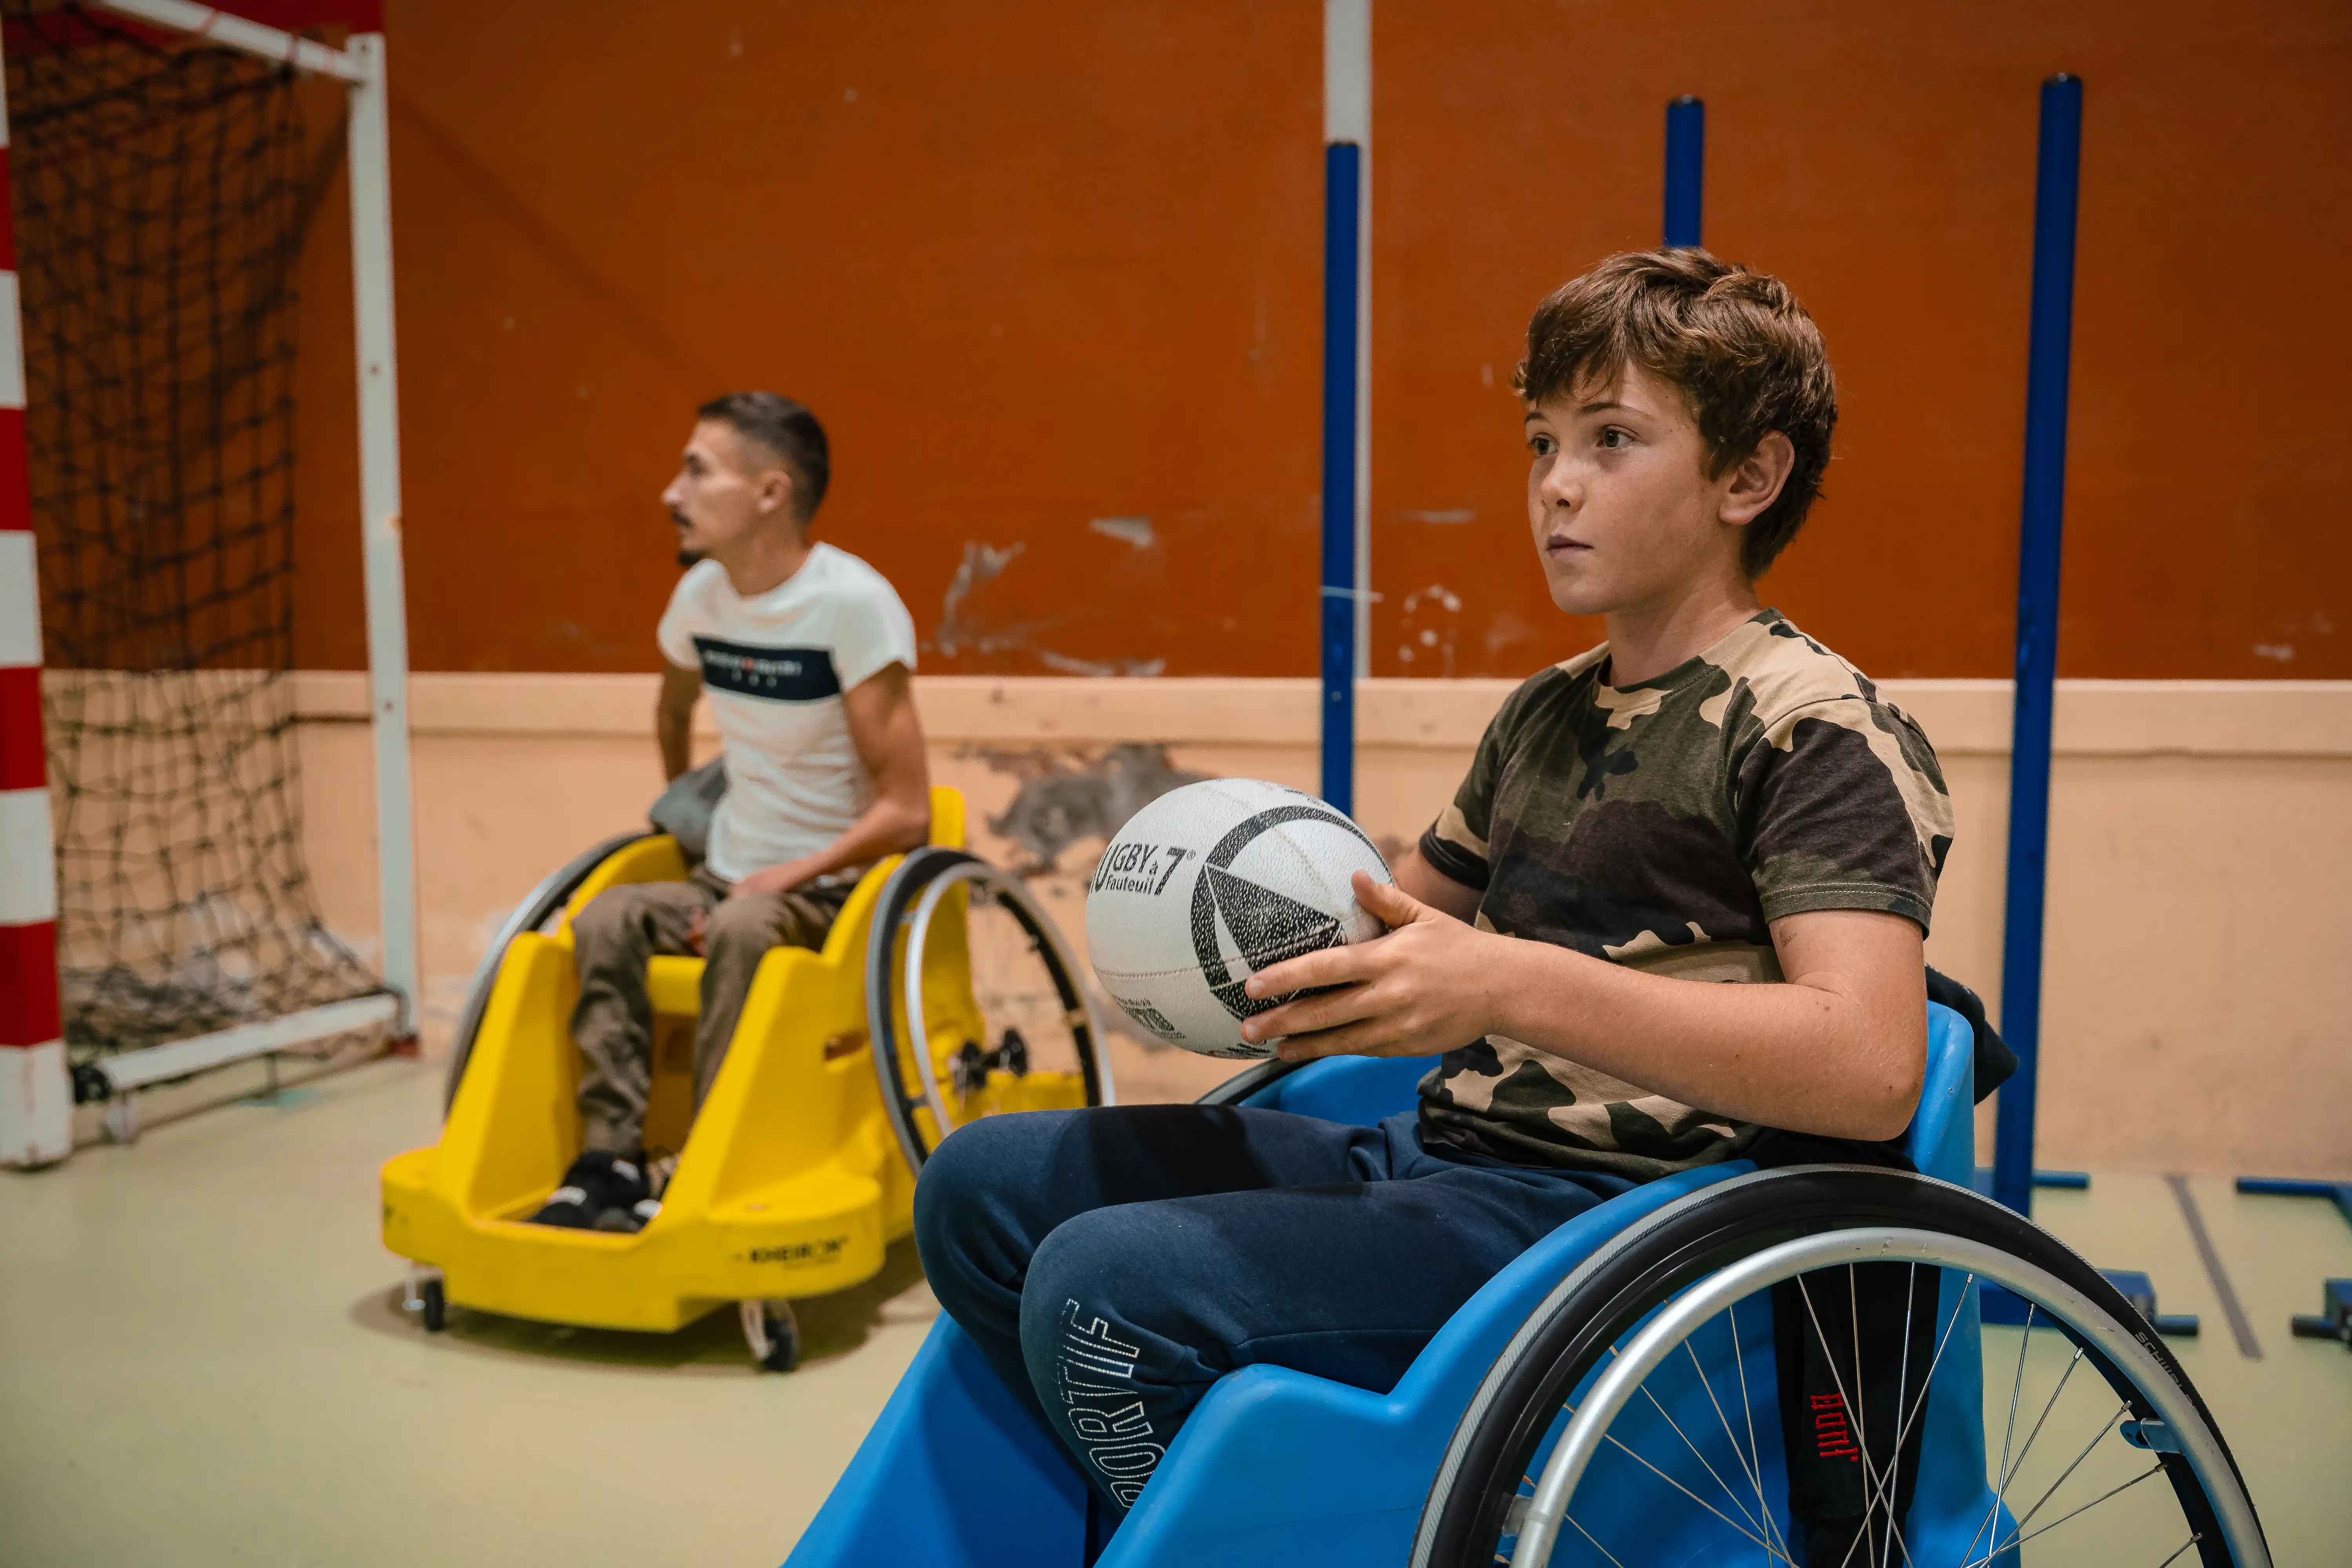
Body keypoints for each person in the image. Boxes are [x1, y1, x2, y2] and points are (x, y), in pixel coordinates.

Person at [913, 250, 1957, 1563]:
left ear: (1748, 477)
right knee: (985, 1186)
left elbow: (1868, 1070)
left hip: (1616, 1221)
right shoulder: (1543, 712)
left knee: (1106, 1296)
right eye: (1542, 443)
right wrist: (1222, 929)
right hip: (1446, 1161)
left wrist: (1502, 983)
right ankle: (1224, 1506)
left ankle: (1234, 1530)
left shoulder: (1818, 726)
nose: (1556, 484)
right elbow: (1398, 930)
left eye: (1613, 440)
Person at [532, 392, 929, 1232]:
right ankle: (609, 1159)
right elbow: (672, 710)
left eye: (697, 470)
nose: (671, 492)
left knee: (748, 925)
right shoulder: (702, 600)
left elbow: (907, 812)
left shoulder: (851, 607)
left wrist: (783, 876)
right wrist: (693, 825)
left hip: (831, 892)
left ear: (770, 492)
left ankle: (705, 1154)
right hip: (727, 876)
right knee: (605, 916)